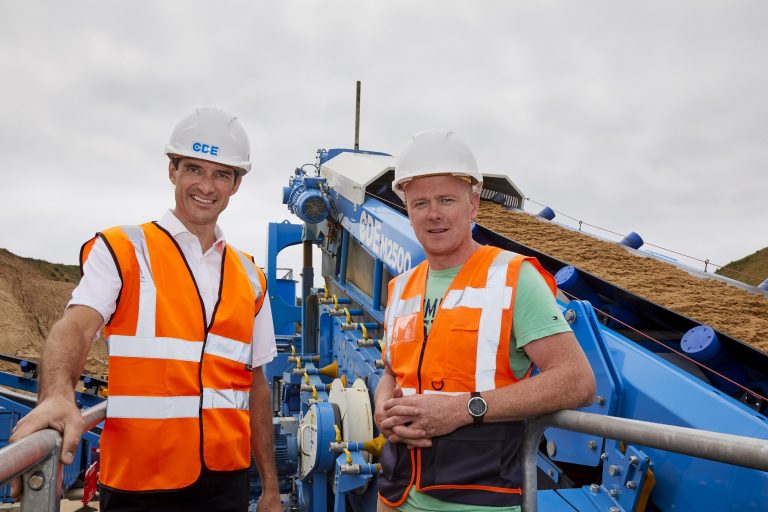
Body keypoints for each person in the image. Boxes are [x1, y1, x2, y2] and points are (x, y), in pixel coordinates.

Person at [11, 107, 281, 512]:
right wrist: (56, 395)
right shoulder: (124, 249)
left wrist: (272, 489)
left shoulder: (250, 276)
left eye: (222, 174)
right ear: (172, 171)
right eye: (194, 169)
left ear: (236, 184)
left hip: (227, 482)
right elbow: (77, 327)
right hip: (141, 483)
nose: (206, 186)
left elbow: (255, 384)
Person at [374, 129, 596, 512]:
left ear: (473, 205)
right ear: (407, 211)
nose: (434, 214)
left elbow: (577, 381)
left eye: (447, 199)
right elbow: (392, 373)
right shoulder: (401, 288)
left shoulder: (512, 277)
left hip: (478, 498)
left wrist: (463, 409)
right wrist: (382, 409)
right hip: (395, 493)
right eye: (420, 203)